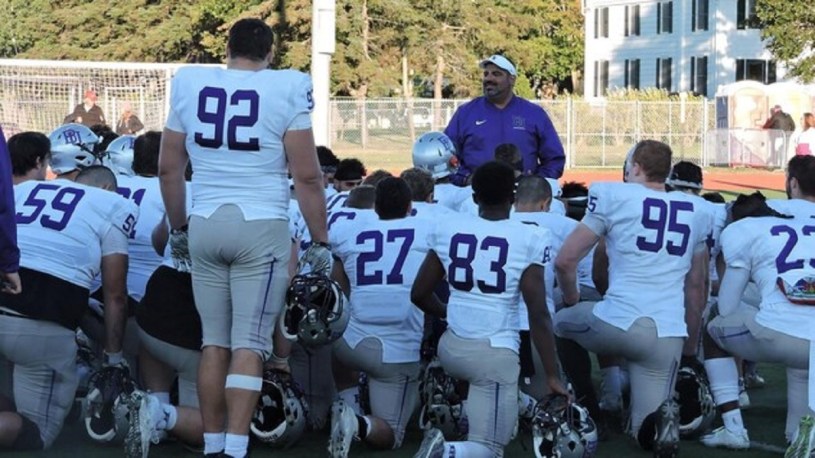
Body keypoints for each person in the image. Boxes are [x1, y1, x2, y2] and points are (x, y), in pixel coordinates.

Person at [157, 18, 330, 458]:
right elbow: (308, 176)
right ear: (270, 53)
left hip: (205, 221)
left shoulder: (191, 83)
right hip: (261, 225)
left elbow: (168, 168)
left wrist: (179, 228)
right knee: (250, 342)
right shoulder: (286, 86)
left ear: (227, 50)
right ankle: (234, 448)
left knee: (213, 341)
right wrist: (320, 240)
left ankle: (213, 444)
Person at [554, 140, 711, 456]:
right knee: (644, 431)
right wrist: (689, 348)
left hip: (620, 321)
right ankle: (659, 426)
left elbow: (565, 261)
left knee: (559, 323)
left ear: (635, 167)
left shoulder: (613, 196)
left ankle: (590, 406)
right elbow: (697, 287)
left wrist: (572, 299)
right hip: (668, 333)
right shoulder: (697, 209)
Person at [411, 161, 568, 458]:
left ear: (474, 197)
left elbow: (419, 293)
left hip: (451, 348)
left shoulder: (449, 228)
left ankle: (463, 408)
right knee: (491, 448)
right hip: (494, 352)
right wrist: (552, 375)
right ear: (513, 197)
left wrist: (449, 312)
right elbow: (537, 313)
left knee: (496, 400)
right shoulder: (529, 236)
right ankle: (445, 452)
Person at [0, 165, 136, 450]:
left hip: (9, 288)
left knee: (7, 399)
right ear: (108, 188)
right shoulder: (111, 204)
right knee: (36, 432)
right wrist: (113, 359)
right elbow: (115, 295)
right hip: (38, 321)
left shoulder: (25, 188)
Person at [698, 190, 814, 453]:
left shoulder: (744, 231)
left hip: (781, 335)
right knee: (797, 436)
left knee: (714, 323)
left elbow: (726, 307)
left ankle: (733, 427)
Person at [328, 177, 428, 456]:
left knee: (339, 327)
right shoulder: (428, 230)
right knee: (391, 435)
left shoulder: (347, 232)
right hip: (396, 353)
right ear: (410, 207)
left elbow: (338, 291)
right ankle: (356, 422)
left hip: (349, 346)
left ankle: (348, 402)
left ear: (376, 207)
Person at [444, 55, 565, 185]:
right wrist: (466, 178)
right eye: (486, 74)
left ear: (512, 79)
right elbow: (446, 156)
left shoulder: (534, 113)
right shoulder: (465, 113)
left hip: (522, 194)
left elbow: (554, 159)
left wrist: (535, 183)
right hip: (474, 193)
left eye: (496, 74)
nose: (489, 78)